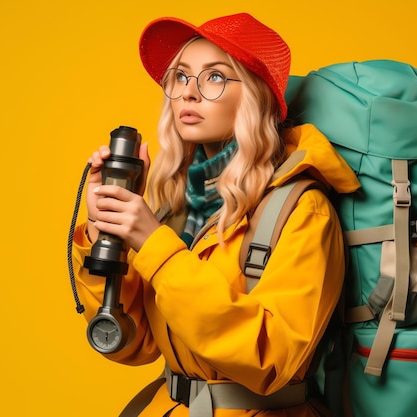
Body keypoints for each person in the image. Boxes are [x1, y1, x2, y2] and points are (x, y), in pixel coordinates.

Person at [71, 12, 360, 417]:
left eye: (214, 78)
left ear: (257, 96)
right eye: (182, 77)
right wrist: (108, 230)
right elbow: (134, 343)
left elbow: (271, 358)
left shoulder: (303, 209)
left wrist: (156, 247)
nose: (189, 93)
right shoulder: (179, 203)